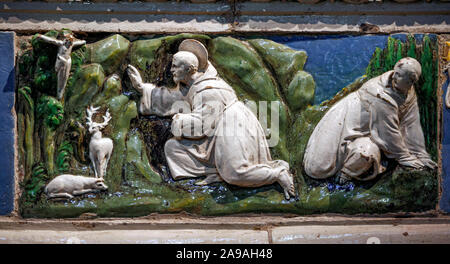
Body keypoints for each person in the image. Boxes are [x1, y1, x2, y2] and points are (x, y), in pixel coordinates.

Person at [127, 39, 295, 199]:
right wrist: (143, 88)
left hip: (234, 129)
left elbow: (202, 126)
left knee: (235, 173)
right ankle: (217, 170)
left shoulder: (209, 89)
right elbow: (174, 98)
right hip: (215, 135)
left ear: (189, 69)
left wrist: (179, 121)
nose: (171, 70)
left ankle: (277, 173)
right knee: (173, 148)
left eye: (175, 67)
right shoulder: (195, 86)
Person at [303, 57, 437, 184]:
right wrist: (404, 157)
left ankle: (348, 171)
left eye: (401, 76)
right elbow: (388, 132)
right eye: (396, 73)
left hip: (362, 137)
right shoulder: (379, 94)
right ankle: (342, 169)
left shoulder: (409, 93)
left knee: (366, 151)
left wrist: (421, 154)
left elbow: (411, 125)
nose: (395, 77)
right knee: (317, 168)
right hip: (341, 127)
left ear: (411, 81)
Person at [37, 32, 86, 100]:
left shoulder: (71, 44)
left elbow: (79, 43)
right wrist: (41, 36)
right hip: (61, 61)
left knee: (65, 77)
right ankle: (58, 93)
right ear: (66, 39)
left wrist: (84, 41)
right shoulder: (61, 43)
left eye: (71, 40)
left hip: (68, 62)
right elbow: (51, 40)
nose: (70, 41)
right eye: (69, 39)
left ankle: (61, 93)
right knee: (60, 77)